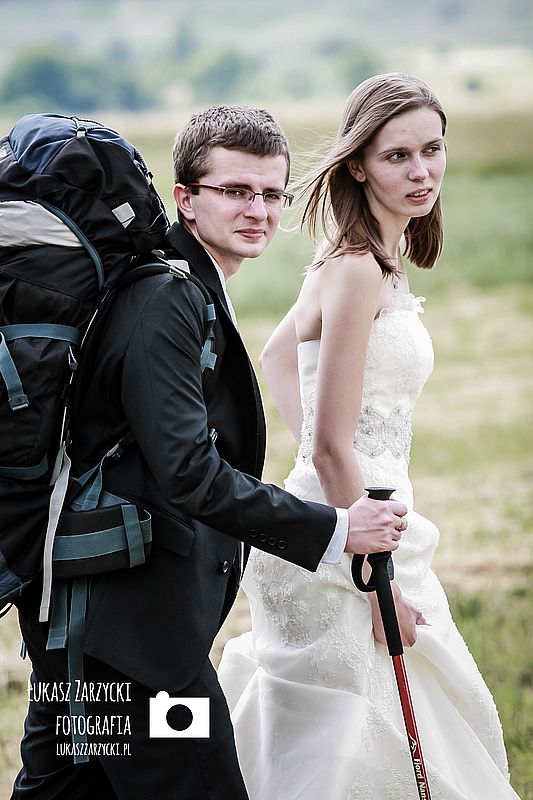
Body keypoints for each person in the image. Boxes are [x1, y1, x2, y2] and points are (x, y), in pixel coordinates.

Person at [10, 106, 411, 800]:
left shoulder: (177, 288)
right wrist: (337, 529)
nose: (257, 210)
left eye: (271, 193)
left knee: (65, 791)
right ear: (185, 199)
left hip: (87, 633)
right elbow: (189, 472)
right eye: (235, 191)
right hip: (129, 644)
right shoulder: (165, 297)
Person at [217, 76, 521, 799]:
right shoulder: (355, 268)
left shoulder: (372, 259)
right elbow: (329, 444)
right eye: (397, 156)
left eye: (432, 150)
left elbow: (279, 356)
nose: (421, 172)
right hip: (353, 535)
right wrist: (370, 570)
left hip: (363, 508)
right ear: (357, 164)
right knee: (351, 747)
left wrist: (322, 458)